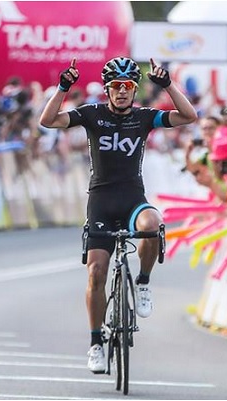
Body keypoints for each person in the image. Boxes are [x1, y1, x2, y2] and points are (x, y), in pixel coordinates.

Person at [39, 56, 197, 373]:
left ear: (134, 89)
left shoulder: (143, 117)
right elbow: (48, 120)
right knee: (96, 273)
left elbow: (188, 116)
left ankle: (142, 282)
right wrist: (63, 87)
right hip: (100, 201)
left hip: (132, 198)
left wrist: (166, 84)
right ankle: (96, 343)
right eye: (116, 86)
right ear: (108, 90)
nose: (122, 92)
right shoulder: (93, 115)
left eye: (128, 86)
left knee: (152, 223)